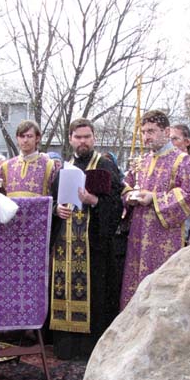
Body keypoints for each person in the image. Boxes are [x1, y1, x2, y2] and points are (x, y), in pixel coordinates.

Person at [50, 118, 123, 360]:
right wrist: (56, 212)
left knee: (96, 294)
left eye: (87, 137)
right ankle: (66, 347)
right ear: (70, 139)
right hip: (65, 246)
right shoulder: (63, 170)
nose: (83, 141)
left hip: (94, 248)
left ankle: (92, 349)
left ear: (94, 138)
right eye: (78, 137)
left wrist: (94, 202)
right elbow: (53, 202)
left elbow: (116, 206)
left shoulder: (104, 167)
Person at [120, 110, 190, 309]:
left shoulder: (183, 161)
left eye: (151, 131)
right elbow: (125, 186)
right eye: (143, 132)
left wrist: (154, 198)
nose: (146, 136)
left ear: (166, 131)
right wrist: (129, 197)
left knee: (162, 289)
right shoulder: (142, 161)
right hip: (139, 235)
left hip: (167, 237)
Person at [0, 120, 55, 197]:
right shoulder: (6, 166)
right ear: (17, 138)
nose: (25, 140)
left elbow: (56, 197)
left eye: (29, 136)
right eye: (22, 136)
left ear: (37, 138)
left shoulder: (49, 165)